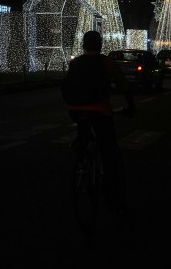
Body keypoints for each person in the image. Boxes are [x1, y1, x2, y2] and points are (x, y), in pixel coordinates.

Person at [61, 30, 136, 213]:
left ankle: (82, 146)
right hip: (99, 111)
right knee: (108, 149)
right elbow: (122, 84)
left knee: (85, 132)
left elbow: (66, 85)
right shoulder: (106, 62)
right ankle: (110, 189)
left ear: (84, 45)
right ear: (100, 45)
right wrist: (131, 105)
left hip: (75, 110)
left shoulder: (75, 62)